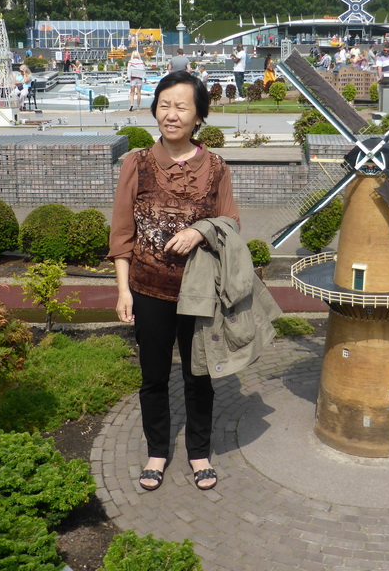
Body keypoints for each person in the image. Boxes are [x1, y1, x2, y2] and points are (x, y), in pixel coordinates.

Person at [109, 71, 239, 493]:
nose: (171, 114)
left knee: (199, 375)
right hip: (148, 291)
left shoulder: (216, 167)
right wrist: (123, 290)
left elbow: (231, 223)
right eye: (165, 104)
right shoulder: (138, 163)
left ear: (199, 115)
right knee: (154, 377)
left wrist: (201, 231)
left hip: (200, 294)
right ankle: (157, 451)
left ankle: (199, 452)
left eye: (182, 106)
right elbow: (122, 232)